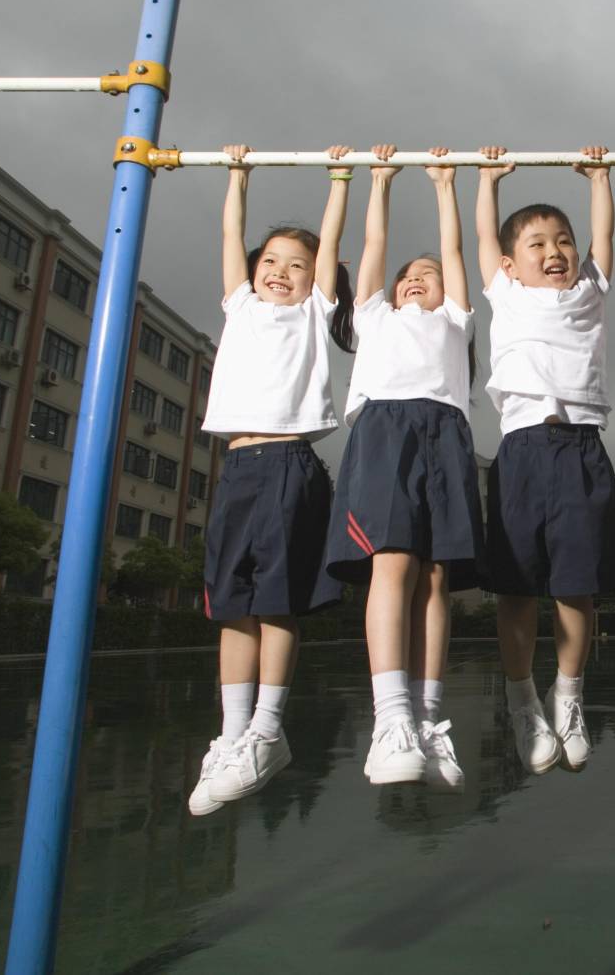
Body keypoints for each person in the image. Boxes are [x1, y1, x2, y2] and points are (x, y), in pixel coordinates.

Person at [189, 143, 355, 816]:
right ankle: (232, 735)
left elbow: (333, 235)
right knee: (232, 602)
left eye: (298, 265)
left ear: (316, 279)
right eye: (271, 262)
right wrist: (237, 174)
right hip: (239, 466)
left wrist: (339, 178)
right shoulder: (241, 304)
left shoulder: (312, 312)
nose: (282, 273)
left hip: (288, 462)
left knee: (274, 600)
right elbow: (230, 232)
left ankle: (267, 727)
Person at [324, 145, 483, 792]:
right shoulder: (375, 316)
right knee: (394, 565)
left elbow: (454, 252)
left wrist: (446, 186)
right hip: (386, 428)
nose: (417, 277)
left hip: (445, 432)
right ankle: (389, 719)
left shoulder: (455, 319)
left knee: (437, 576)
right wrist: (381, 182)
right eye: (406, 275)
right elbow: (372, 241)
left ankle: (426, 717)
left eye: (429, 273)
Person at [476, 144, 615, 774]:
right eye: (538, 244)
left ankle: (568, 697)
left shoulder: (590, 291)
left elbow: (606, 233)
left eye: (562, 240)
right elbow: (486, 235)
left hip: (581, 446)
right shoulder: (506, 293)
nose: (555, 251)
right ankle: (522, 703)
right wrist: (486, 182)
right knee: (516, 591)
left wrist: (599, 180)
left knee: (576, 586)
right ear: (512, 265)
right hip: (521, 449)